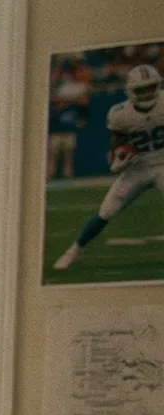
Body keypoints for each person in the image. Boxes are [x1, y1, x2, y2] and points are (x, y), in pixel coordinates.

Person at [54, 62, 164, 270]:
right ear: (131, 91)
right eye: (143, 89)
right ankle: (74, 250)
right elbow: (116, 145)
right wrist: (118, 160)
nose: (148, 92)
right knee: (106, 211)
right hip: (137, 168)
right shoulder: (120, 114)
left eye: (151, 87)